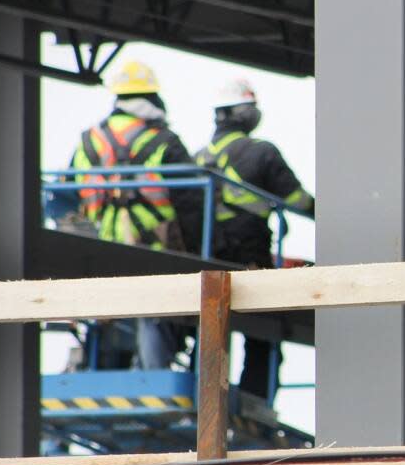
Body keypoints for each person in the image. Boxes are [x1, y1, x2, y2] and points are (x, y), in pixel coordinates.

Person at [70, 60, 200, 370]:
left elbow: (67, 192)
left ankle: (99, 371)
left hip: (104, 246)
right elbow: (193, 202)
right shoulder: (164, 141)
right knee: (155, 313)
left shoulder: (89, 140)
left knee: (109, 315)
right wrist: (196, 253)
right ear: (152, 99)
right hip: (154, 250)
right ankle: (152, 374)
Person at [194, 78, 315, 401]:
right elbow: (299, 200)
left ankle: (203, 395)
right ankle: (256, 399)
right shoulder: (260, 152)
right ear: (241, 113)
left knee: (207, 328)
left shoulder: (198, 158)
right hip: (250, 253)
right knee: (262, 329)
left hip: (207, 255)